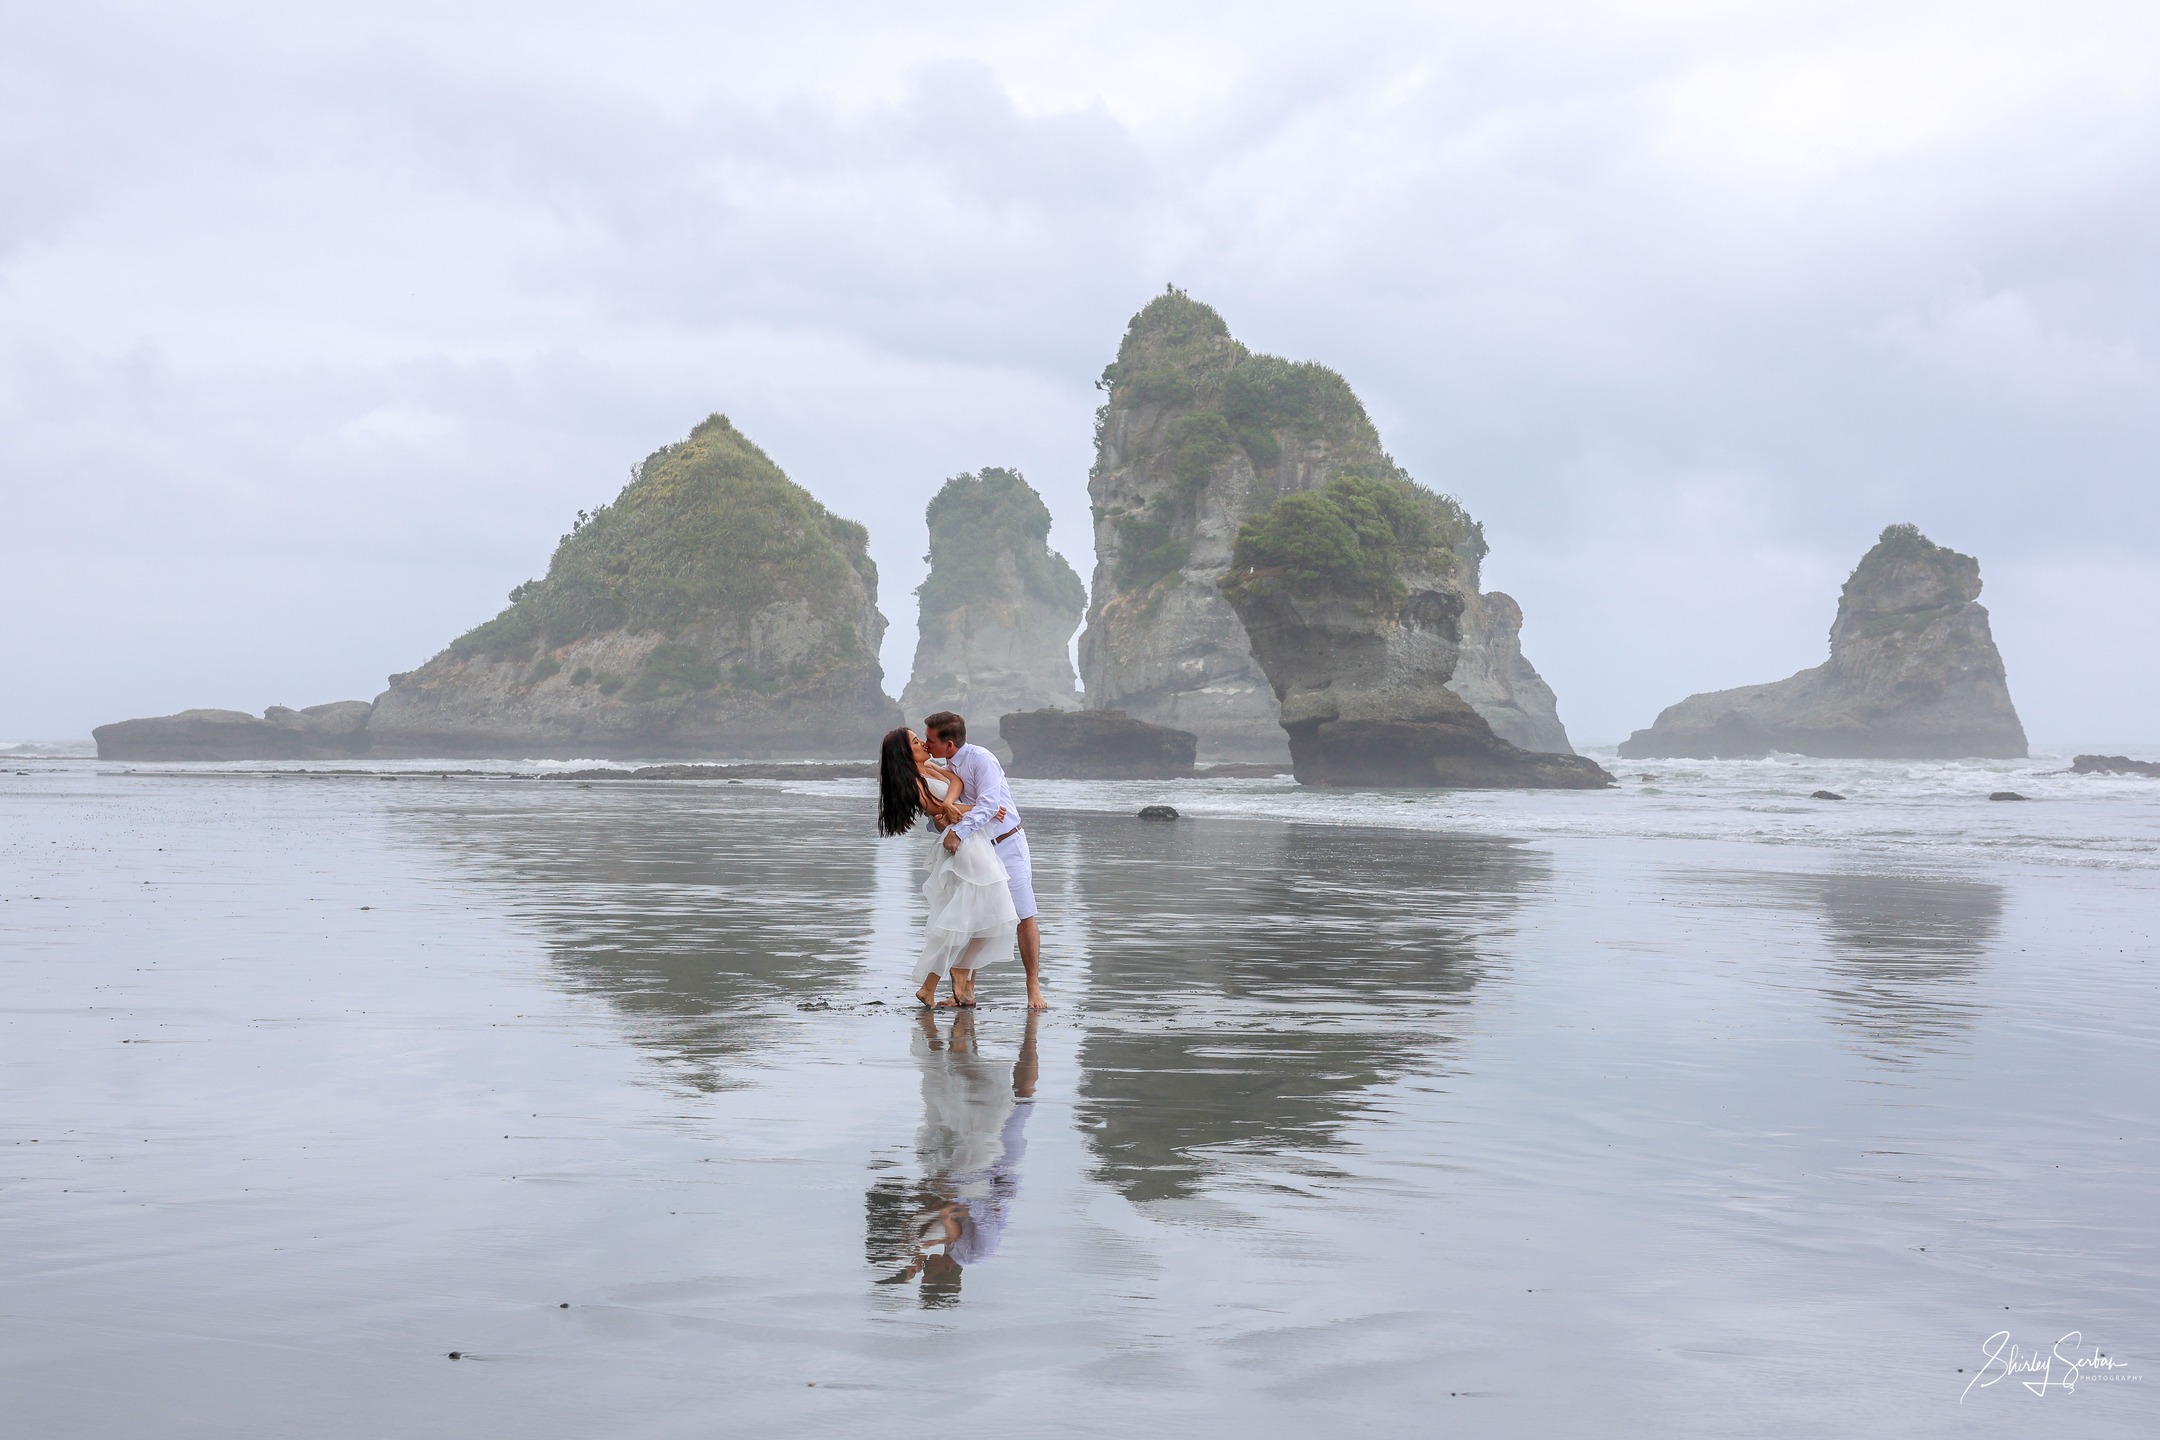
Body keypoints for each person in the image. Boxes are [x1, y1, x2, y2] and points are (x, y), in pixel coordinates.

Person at [877, 726, 1014, 1008]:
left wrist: (959, 805)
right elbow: (935, 810)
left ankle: (932, 986)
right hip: (963, 846)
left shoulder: (930, 767)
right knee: (987, 911)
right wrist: (979, 808)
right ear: (905, 751)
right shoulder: (913, 782)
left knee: (972, 917)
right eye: (916, 742)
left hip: (972, 839)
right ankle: (954, 971)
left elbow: (955, 786)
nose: (923, 744)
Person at [921, 711, 1047, 1010]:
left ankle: (1033, 986)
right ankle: (965, 991)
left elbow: (990, 804)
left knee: (1024, 914)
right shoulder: (946, 768)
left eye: (929, 740)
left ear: (949, 743)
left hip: (1006, 844)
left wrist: (958, 831)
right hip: (976, 850)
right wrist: (945, 821)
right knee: (975, 917)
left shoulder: (982, 759)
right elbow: (940, 816)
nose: (926, 745)